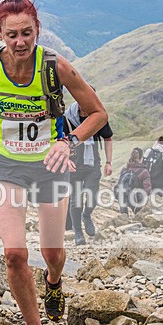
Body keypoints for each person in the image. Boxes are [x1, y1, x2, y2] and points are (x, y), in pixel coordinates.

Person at [0, 0, 108, 325]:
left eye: (26, 33)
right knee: (14, 254)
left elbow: (98, 114)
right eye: (11, 35)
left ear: (37, 30)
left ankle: (54, 281)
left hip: (50, 166)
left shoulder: (55, 67)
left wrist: (68, 141)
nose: (20, 42)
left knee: (52, 252)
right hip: (6, 165)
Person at [64, 99, 113, 246]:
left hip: (93, 164)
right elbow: (59, 140)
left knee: (92, 195)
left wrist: (108, 162)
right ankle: (78, 233)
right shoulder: (67, 118)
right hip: (74, 164)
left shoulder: (97, 117)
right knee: (76, 201)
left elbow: (108, 138)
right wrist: (66, 160)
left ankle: (87, 215)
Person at [115, 147, 152, 215]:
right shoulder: (144, 171)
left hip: (123, 197)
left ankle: (123, 215)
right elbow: (147, 190)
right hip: (135, 199)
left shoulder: (124, 169)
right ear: (141, 158)